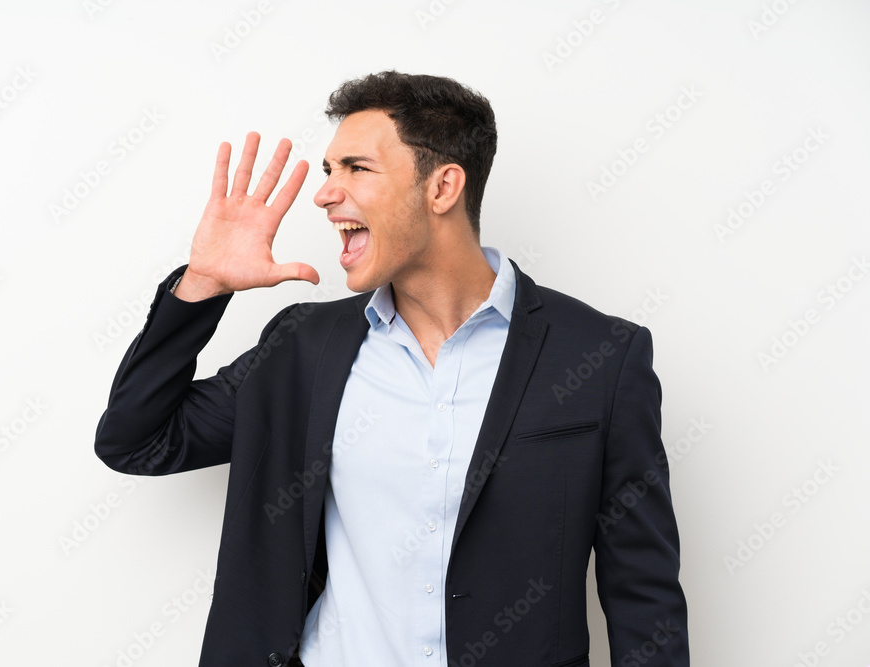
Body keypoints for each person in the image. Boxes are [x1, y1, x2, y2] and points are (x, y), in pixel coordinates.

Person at [95, 71, 689, 667]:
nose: (325, 194)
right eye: (329, 171)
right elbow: (138, 441)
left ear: (442, 187)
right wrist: (202, 284)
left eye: (356, 168)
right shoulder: (303, 346)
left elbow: (643, 593)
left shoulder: (599, 356)